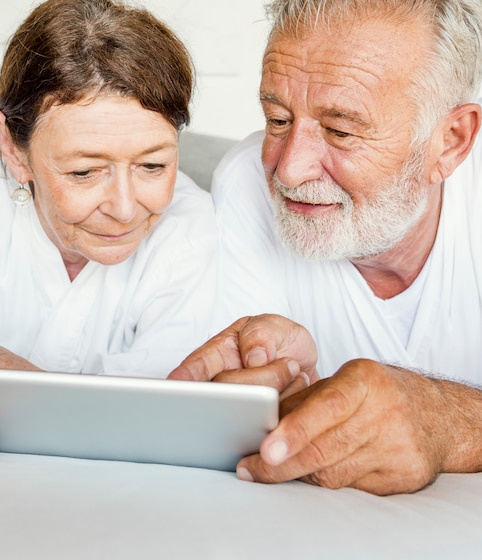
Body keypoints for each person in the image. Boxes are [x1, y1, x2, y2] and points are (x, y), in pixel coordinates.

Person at [0, 0, 216, 468]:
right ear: (13, 148)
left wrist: (1, 372)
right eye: (85, 172)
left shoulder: (192, 227)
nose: (125, 208)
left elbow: (167, 424)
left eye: (153, 165)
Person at [169, 0, 482, 495]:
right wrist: (280, 393)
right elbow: (243, 433)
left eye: (340, 131)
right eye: (277, 119)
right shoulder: (247, 181)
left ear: (449, 141)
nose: (289, 170)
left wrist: (446, 420)